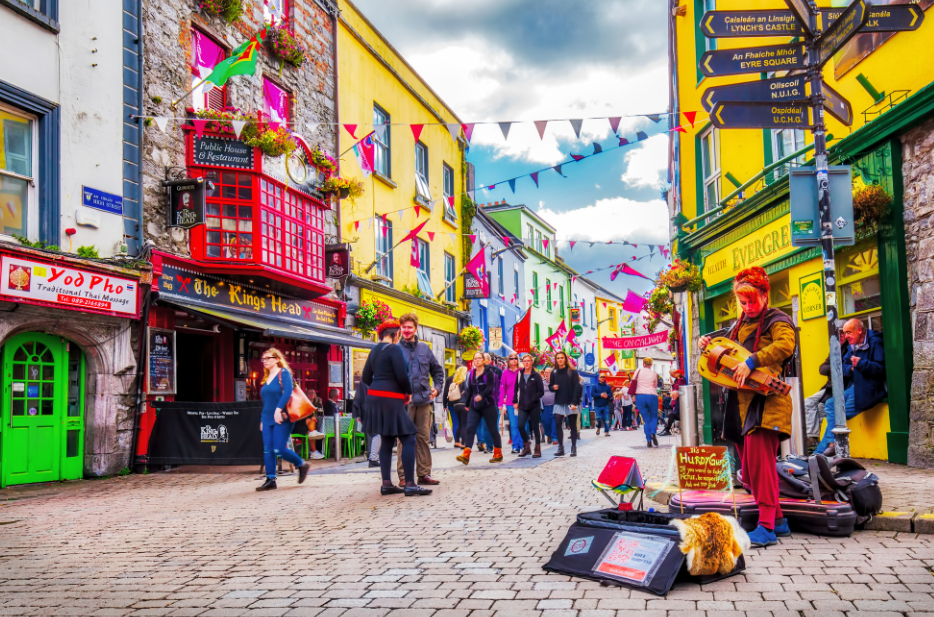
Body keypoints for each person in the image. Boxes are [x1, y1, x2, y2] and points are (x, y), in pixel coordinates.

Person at [698, 266, 796, 547]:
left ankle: (766, 527)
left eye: (752, 300)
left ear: (765, 294)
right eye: (743, 302)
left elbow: (785, 345)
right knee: (750, 471)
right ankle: (778, 521)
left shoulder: (779, 319)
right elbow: (723, 348)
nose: (748, 306)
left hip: (768, 402)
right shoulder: (738, 324)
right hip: (739, 405)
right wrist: (708, 344)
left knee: (761, 466)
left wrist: (752, 361)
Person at [361, 320, 432, 497]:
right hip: (391, 398)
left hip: (374, 398)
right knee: (408, 437)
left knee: (386, 438)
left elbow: (366, 377)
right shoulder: (394, 349)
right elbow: (402, 375)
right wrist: (407, 391)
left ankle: (386, 484)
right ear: (396, 335)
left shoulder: (374, 350)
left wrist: (379, 386)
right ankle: (409, 484)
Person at [814, 318, 887, 457]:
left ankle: (821, 452)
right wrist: (852, 369)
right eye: (844, 332)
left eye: (848, 332)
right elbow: (844, 366)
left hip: (869, 389)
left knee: (838, 415)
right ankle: (829, 446)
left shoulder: (875, 343)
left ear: (859, 330)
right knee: (830, 405)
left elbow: (881, 369)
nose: (846, 336)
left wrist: (861, 364)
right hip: (855, 386)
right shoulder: (852, 346)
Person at [397, 313, 445, 487]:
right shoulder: (395, 349)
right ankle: (404, 477)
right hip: (403, 402)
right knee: (404, 440)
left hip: (424, 400)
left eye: (410, 327)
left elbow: (438, 372)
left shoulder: (425, 348)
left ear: (416, 328)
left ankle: (424, 474)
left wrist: (437, 388)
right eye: (404, 327)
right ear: (400, 328)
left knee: (423, 438)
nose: (407, 330)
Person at [256, 348, 311, 491]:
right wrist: (263, 419)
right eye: (264, 359)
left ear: (277, 359)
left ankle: (301, 464)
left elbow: (287, 392)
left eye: (268, 358)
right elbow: (267, 401)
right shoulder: (266, 377)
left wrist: (278, 410)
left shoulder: (283, 373)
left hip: (282, 416)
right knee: (267, 450)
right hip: (267, 418)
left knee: (279, 448)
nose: (265, 361)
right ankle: (270, 479)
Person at [457, 354, 504, 464]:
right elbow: (471, 390)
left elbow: (490, 388)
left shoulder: (490, 373)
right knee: (470, 428)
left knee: (492, 429)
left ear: (483, 360)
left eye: (479, 358)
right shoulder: (472, 373)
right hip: (475, 406)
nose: (477, 360)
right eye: (475, 359)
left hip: (488, 405)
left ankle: (498, 454)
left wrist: (481, 395)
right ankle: (466, 454)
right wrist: (467, 404)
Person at [804, 346, 842, 451]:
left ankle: (812, 441)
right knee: (806, 403)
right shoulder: (836, 349)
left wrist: (835, 368)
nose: (843, 336)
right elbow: (822, 369)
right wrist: (834, 368)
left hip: (839, 388)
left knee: (821, 409)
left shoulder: (849, 349)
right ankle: (812, 438)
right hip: (828, 388)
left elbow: (846, 370)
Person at [549, 351, 582, 457]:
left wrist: (574, 402)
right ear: (556, 360)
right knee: (558, 423)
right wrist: (553, 388)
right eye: (558, 358)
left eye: (562, 358)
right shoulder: (554, 372)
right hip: (559, 401)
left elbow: (577, 387)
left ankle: (573, 447)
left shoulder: (572, 372)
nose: (560, 360)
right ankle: (561, 447)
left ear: (565, 359)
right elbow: (550, 386)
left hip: (570, 402)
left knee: (572, 425)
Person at [515, 354, 546, 457]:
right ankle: (526, 446)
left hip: (534, 405)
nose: (526, 363)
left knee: (535, 427)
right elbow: (515, 389)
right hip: (523, 405)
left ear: (532, 362)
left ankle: (538, 449)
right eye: (524, 361)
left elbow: (541, 392)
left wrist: (533, 398)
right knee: (520, 425)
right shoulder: (519, 374)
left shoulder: (536, 376)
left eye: (528, 361)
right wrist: (515, 401)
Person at [631, 357, 660, 447]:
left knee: (646, 420)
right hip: (652, 395)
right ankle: (653, 432)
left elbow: (633, 382)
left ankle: (648, 440)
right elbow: (655, 386)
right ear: (651, 365)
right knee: (654, 417)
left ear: (643, 363)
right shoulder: (654, 374)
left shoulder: (638, 371)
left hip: (640, 396)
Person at [498, 353, 524, 454]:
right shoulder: (505, 373)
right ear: (508, 361)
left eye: (515, 358)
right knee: (513, 425)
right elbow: (502, 388)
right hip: (510, 403)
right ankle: (515, 446)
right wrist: (500, 403)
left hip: (522, 402)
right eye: (511, 359)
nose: (513, 360)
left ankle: (523, 444)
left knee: (522, 424)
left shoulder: (522, 371)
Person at [446, 365, 469, 448]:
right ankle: (463, 443)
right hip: (463, 404)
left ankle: (456, 441)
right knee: (464, 424)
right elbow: (467, 393)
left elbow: (446, 393)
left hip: (455, 405)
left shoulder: (454, 382)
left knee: (459, 423)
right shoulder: (464, 381)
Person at [540, 367, 557, 445]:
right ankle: (548, 434)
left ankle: (554, 437)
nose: (546, 374)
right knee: (545, 421)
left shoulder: (555, 383)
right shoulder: (542, 383)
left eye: (548, 372)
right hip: (544, 406)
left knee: (554, 421)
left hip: (554, 405)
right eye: (545, 373)